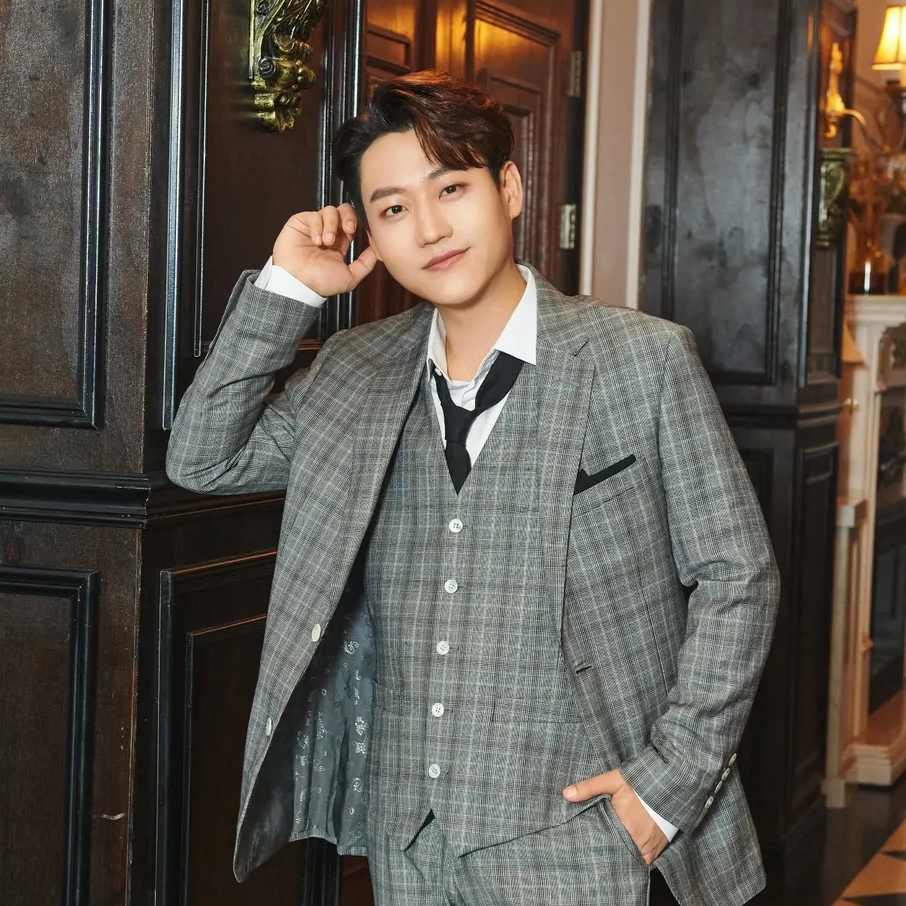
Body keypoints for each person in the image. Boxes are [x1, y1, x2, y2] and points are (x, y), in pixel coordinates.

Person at [166, 70, 780, 906]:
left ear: (510, 189)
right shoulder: (354, 372)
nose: (429, 228)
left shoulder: (642, 360)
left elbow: (739, 577)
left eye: (451, 188)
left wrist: (665, 788)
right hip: (409, 839)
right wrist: (289, 288)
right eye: (393, 208)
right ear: (371, 236)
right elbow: (202, 457)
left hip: (584, 837)